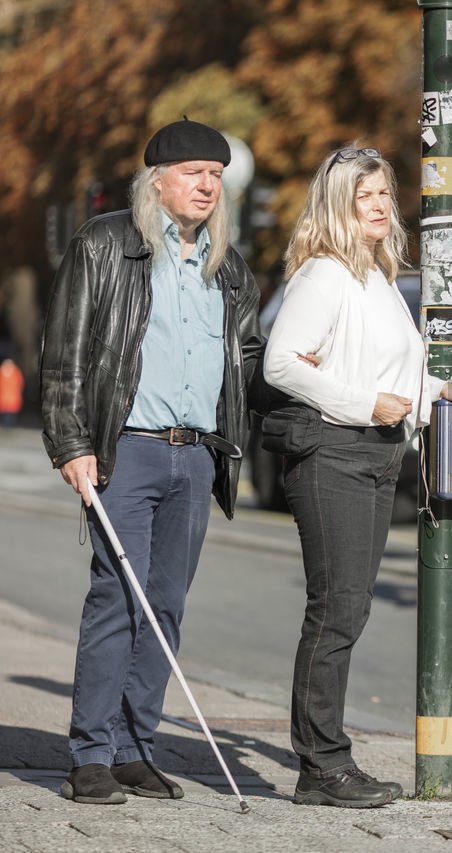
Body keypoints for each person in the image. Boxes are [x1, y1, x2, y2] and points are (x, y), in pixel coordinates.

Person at [39, 119, 264, 805]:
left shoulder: (228, 266)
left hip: (195, 457)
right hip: (125, 450)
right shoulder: (107, 244)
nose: (207, 185)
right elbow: (65, 351)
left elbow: (245, 358)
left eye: (216, 175)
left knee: (164, 605)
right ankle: (92, 754)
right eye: (194, 171)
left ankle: (138, 748)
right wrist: (71, 444)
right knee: (117, 597)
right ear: (157, 179)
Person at [262, 146, 452, 809]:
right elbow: (281, 363)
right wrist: (366, 403)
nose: (383, 205)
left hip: (374, 454)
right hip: (332, 452)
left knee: (351, 609)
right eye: (367, 196)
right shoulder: (325, 276)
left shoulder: (378, 279)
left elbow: (397, 370)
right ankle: (321, 767)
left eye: (386, 193)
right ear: (339, 205)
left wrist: (444, 390)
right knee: (335, 612)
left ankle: (328, 759)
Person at [0, 358, 22, 426]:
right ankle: (8, 424)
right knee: (6, 413)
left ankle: (9, 424)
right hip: (6, 396)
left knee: (10, 413)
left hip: (12, 396)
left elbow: (20, 383)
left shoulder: (16, 372)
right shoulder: (15, 371)